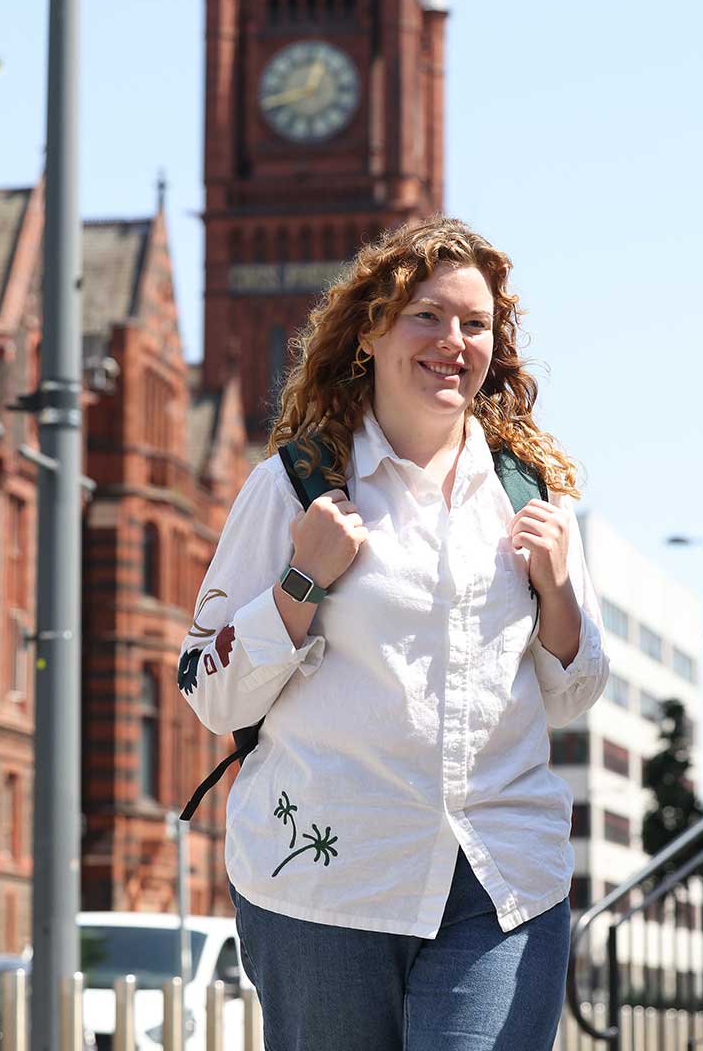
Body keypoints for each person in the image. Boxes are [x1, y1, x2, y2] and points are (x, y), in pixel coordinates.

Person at [179, 218, 608, 1051]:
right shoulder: (293, 487)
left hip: (501, 877)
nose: (454, 341)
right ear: (371, 331)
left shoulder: (532, 494)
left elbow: (574, 695)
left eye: (475, 324)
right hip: (325, 879)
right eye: (427, 317)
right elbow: (207, 687)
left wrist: (556, 591)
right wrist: (302, 580)